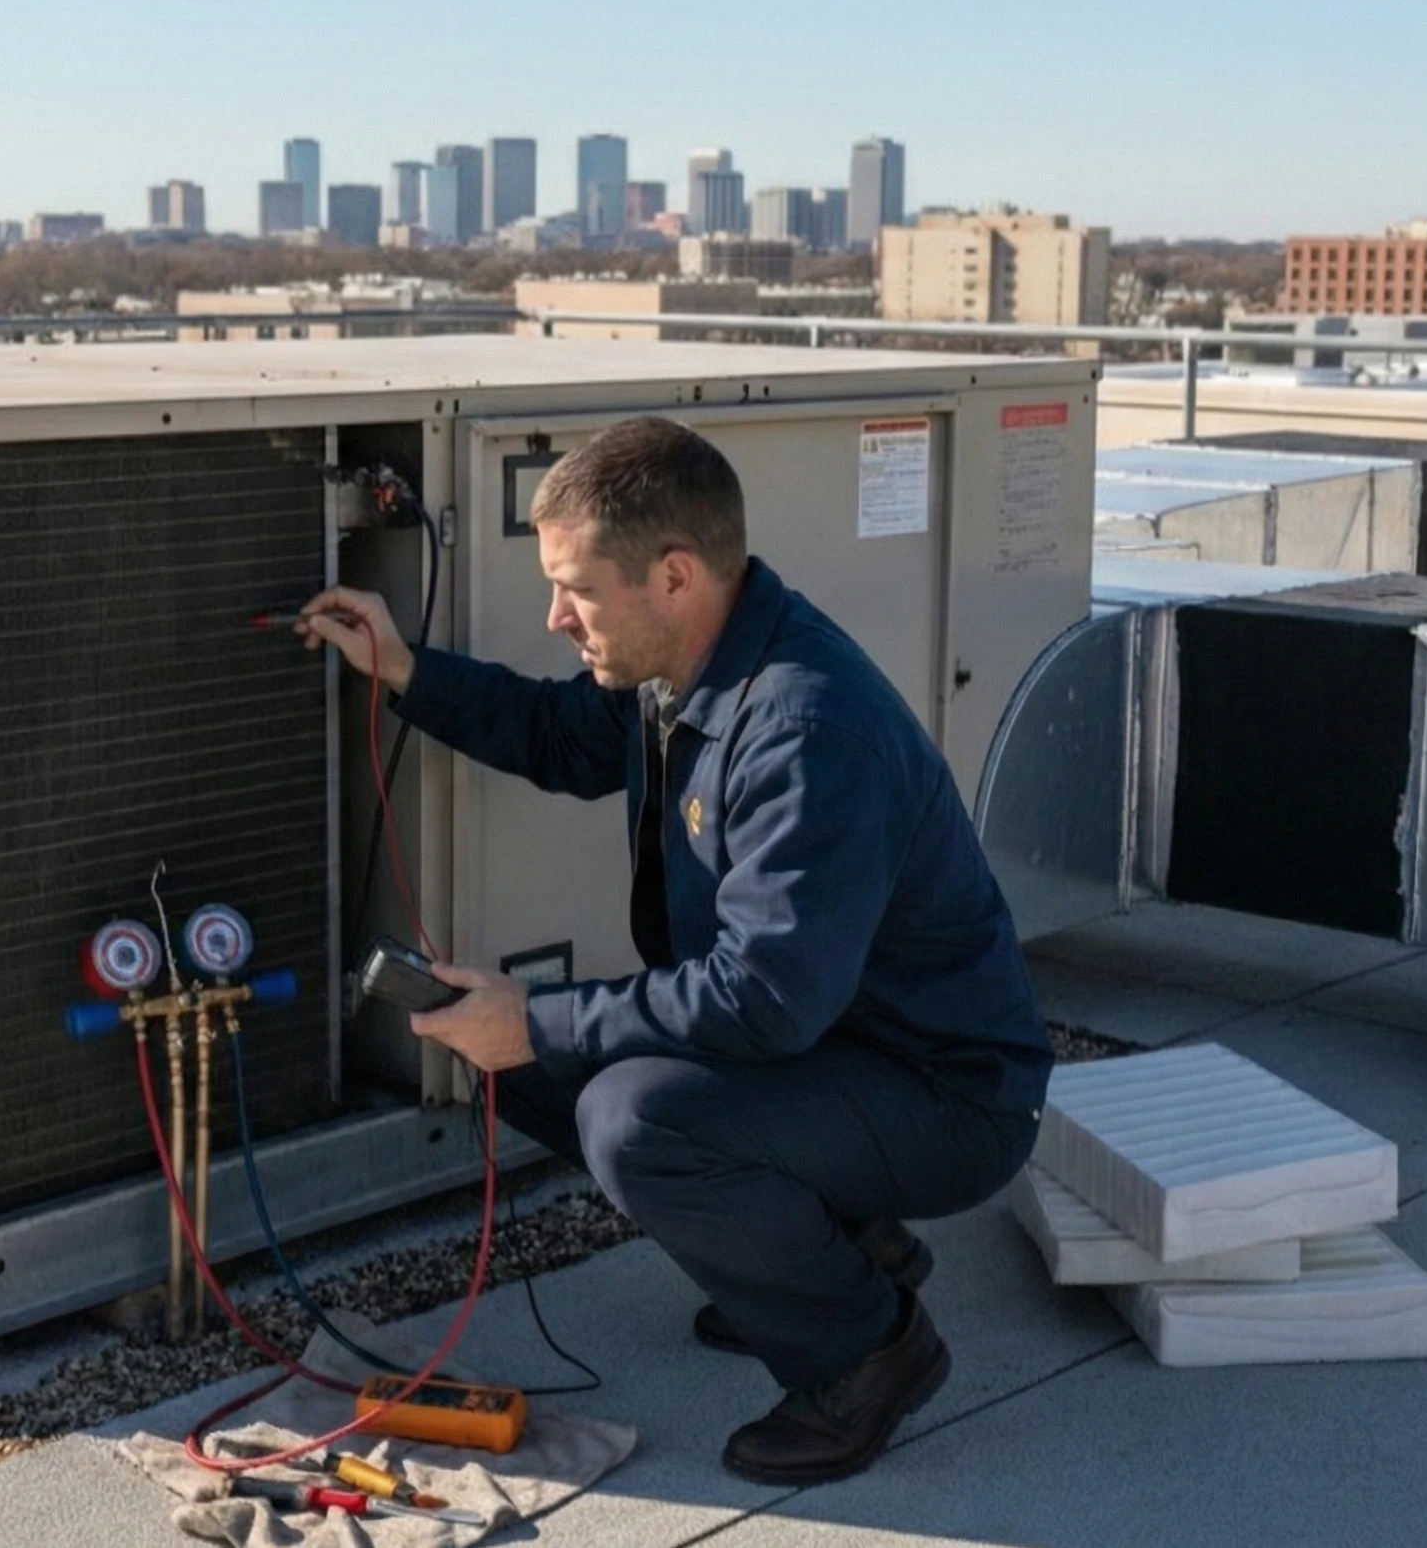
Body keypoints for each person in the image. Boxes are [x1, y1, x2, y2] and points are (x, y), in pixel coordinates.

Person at [298, 416, 1050, 1486]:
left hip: (948, 1096)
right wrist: (404, 667)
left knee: (630, 1114)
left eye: (577, 589)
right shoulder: (679, 666)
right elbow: (558, 736)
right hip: (837, 1045)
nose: (555, 615)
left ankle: (868, 1351)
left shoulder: (802, 729)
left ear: (674, 575)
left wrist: (538, 1014)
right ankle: (850, 1251)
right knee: (527, 1065)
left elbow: (764, 1000)